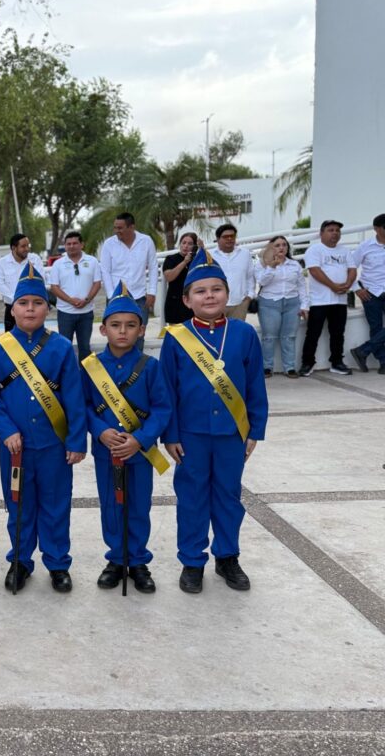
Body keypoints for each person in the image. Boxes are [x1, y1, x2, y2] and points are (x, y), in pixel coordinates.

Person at [160, 248, 268, 594]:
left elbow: (255, 386)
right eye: (201, 291)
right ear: (187, 299)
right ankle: (192, 561)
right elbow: (167, 390)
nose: (209, 296)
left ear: (227, 293)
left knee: (228, 496)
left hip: (231, 434)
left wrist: (255, 430)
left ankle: (227, 556)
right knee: (192, 498)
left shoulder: (243, 334)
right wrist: (170, 434)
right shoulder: (176, 337)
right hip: (190, 434)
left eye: (216, 289)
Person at [0, 262, 87, 594]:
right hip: (16, 448)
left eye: (37, 303)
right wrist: (5, 429)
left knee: (56, 505)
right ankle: (20, 561)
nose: (30, 309)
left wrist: (76, 440)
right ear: (12, 309)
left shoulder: (61, 347)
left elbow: (74, 396)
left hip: (54, 445)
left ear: (47, 309)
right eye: (23, 303)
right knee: (19, 505)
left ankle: (57, 563)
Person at [81, 283, 172, 593]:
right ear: (103, 329)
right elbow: (83, 406)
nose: (123, 331)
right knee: (111, 505)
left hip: (139, 452)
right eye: (115, 325)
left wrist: (141, 439)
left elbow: (162, 409)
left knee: (139, 506)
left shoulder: (150, 367)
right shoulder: (91, 367)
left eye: (131, 325)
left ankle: (138, 561)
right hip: (106, 451)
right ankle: (116, 559)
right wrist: (100, 431)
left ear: (142, 330)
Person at [299, 220, 356, 376]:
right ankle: (307, 363)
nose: (335, 233)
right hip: (319, 301)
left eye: (337, 230)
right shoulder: (314, 250)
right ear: (321, 233)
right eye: (331, 230)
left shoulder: (345, 250)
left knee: (338, 334)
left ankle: (337, 363)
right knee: (313, 333)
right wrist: (333, 286)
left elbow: (352, 269)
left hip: (340, 301)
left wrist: (347, 284)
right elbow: (314, 271)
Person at [99, 212, 158, 350]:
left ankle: (137, 364)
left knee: (138, 335)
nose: (116, 231)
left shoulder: (146, 241)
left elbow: (153, 267)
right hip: (116, 297)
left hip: (139, 297)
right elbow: (105, 271)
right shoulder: (109, 244)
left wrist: (152, 292)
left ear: (131, 227)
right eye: (115, 227)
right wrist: (111, 295)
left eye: (120, 228)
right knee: (115, 336)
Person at [255, 236, 308, 377]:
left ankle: (289, 367)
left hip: (292, 303)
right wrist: (272, 267)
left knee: (289, 336)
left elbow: (301, 286)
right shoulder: (261, 264)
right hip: (269, 303)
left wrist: (304, 305)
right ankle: (267, 367)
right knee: (269, 337)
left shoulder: (294, 264)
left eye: (284, 245)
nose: (281, 248)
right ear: (270, 248)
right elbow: (262, 282)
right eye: (277, 245)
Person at [46, 231, 102, 360]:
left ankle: (84, 372)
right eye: (68, 244)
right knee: (64, 347)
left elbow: (97, 284)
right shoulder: (58, 264)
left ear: (82, 244)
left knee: (85, 348)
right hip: (65, 313)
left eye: (75, 243)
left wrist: (86, 300)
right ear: (65, 246)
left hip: (86, 313)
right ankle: (66, 372)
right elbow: (54, 287)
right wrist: (71, 301)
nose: (71, 246)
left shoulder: (92, 261)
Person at [348, 213, 385, 374]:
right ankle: (383, 362)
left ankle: (363, 350)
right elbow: (350, 268)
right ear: (376, 229)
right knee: (376, 327)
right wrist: (356, 288)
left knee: (377, 329)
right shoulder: (365, 246)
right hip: (371, 293)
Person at [0, 233, 45, 332]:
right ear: (13, 248)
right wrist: (17, 299)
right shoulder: (2, 263)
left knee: (34, 337)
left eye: (28, 245)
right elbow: (0, 284)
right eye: (23, 246)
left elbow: (40, 280)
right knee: (11, 339)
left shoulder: (35, 259)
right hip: (11, 308)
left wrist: (25, 300)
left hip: (32, 307)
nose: (27, 249)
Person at [209, 223, 256, 320]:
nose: (229, 239)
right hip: (216, 304)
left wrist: (249, 297)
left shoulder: (245, 254)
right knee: (216, 330)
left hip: (239, 304)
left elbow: (250, 276)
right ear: (218, 239)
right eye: (225, 237)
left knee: (237, 330)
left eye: (232, 236)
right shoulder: (210, 255)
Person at [162, 233, 198, 325]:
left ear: (194, 246)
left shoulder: (197, 261)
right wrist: (185, 262)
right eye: (183, 243)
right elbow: (169, 277)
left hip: (192, 302)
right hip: (175, 303)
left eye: (190, 244)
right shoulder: (171, 259)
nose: (186, 246)